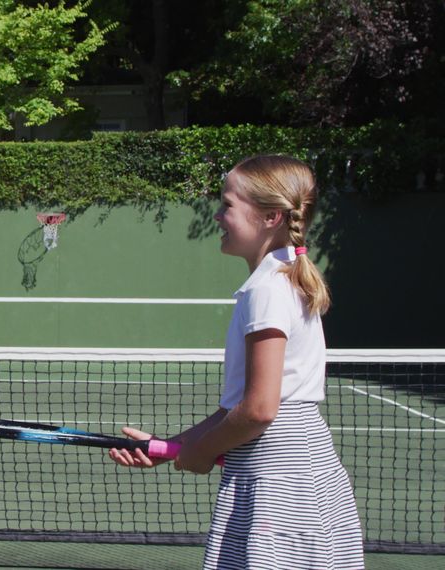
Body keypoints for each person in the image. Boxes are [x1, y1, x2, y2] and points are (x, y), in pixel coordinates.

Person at [108, 155, 363, 569]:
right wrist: (175, 447)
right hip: (294, 467)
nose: (217, 214)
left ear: (270, 217)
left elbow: (260, 410)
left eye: (227, 204)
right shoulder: (284, 277)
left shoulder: (267, 291)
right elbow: (237, 408)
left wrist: (201, 453)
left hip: (277, 481)